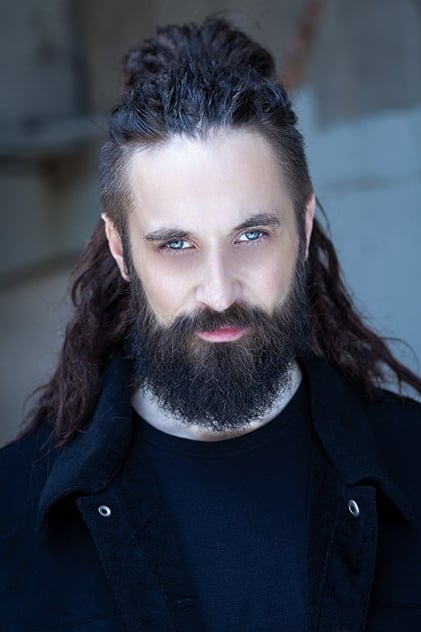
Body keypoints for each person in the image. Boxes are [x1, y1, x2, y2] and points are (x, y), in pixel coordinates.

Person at [1, 17, 421, 632]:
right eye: (176, 245)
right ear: (120, 249)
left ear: (303, 227)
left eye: (251, 236)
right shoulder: (11, 514)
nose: (220, 292)